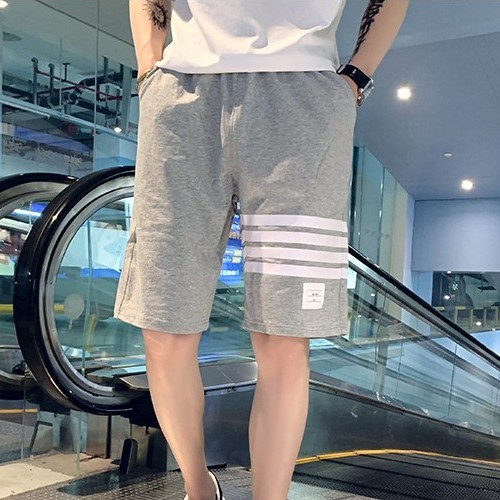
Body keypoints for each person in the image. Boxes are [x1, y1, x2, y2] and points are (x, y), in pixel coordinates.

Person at [114, 1, 409, 499]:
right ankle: (198, 489)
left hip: (303, 99)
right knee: (163, 325)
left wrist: (357, 75)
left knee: (284, 336)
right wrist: (149, 67)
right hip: (181, 94)